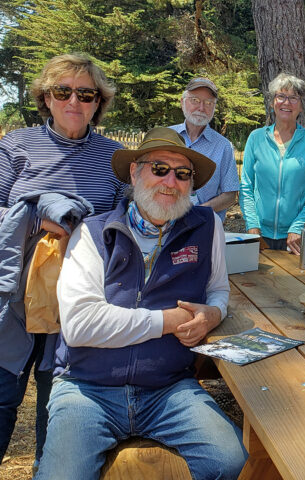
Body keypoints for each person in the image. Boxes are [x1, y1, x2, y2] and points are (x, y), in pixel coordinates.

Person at [35, 127, 246, 480]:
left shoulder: (207, 226)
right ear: (135, 172)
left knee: (233, 463)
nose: (171, 182)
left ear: (192, 184)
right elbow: (80, 325)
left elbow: (218, 290)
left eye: (182, 174)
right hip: (88, 389)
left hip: (168, 387)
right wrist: (168, 320)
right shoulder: (92, 231)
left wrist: (213, 313)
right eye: (159, 168)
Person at [0, 53, 125, 469]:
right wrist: (41, 213)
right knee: (1, 397)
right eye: (63, 91)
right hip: (15, 298)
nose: (75, 100)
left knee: (58, 403)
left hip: (79, 301)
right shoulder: (15, 145)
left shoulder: (114, 157)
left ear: (98, 102)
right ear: (46, 98)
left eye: (86, 93)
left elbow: (126, 219)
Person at [241, 73, 305, 254]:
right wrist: (252, 224)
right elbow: (246, 187)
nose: (286, 103)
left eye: (294, 98)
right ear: (273, 102)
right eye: (281, 96)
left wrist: (298, 226)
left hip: (296, 237)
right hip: (259, 234)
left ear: (302, 106)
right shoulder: (256, 138)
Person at [170, 77, 240, 221]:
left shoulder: (223, 146)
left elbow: (230, 195)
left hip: (203, 228)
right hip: (163, 226)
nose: (201, 108)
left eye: (208, 103)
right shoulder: (166, 137)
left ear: (214, 108)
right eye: (195, 100)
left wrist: (196, 213)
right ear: (182, 102)